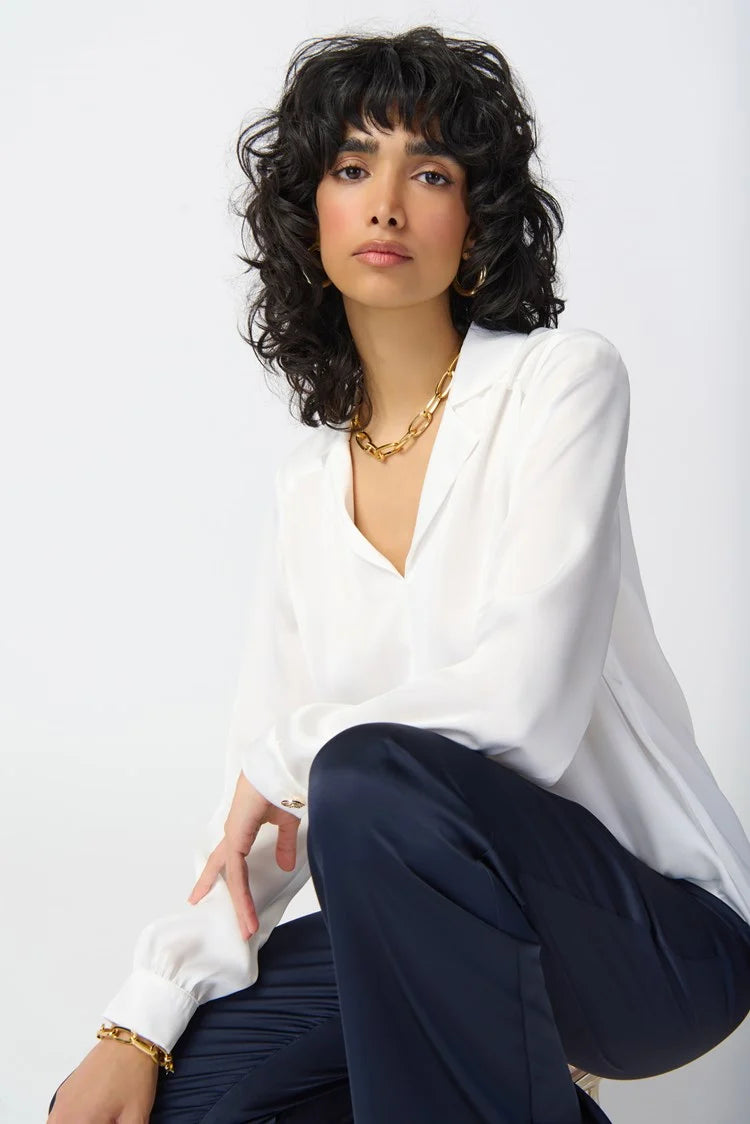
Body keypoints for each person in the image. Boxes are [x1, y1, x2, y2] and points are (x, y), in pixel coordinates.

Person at [47, 25, 750, 1124]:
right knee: (188, 1100)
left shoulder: (561, 386)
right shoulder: (305, 488)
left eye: (429, 172)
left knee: (369, 778)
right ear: (310, 216)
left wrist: (287, 756)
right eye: (351, 166)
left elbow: (523, 711)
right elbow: (258, 829)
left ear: (474, 225)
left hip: (647, 937)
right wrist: (137, 1013)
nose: (385, 202)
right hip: (427, 917)